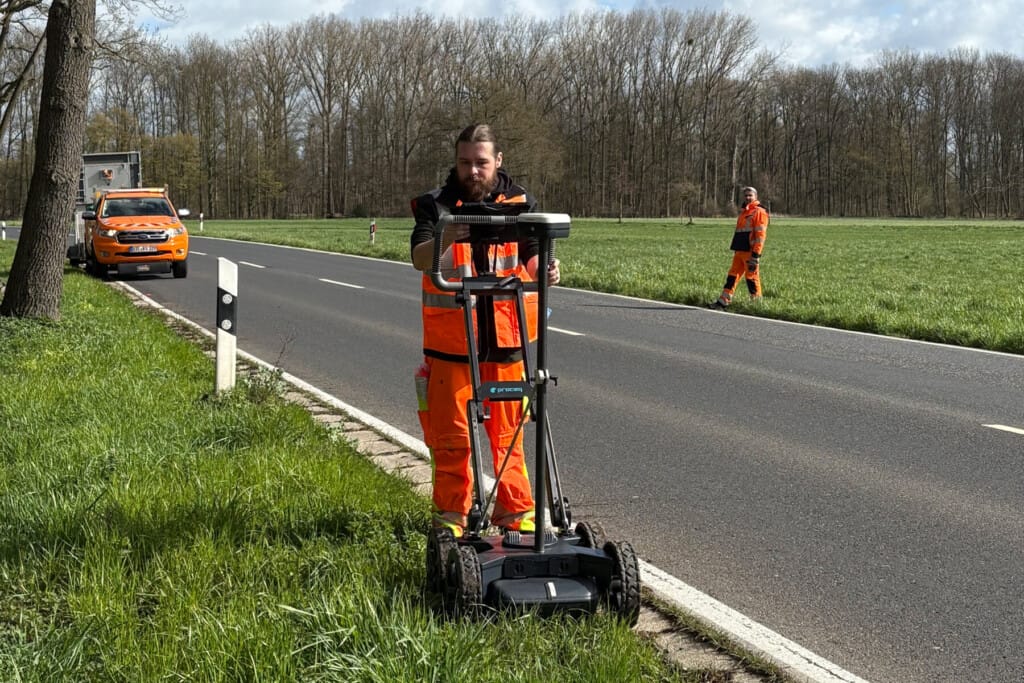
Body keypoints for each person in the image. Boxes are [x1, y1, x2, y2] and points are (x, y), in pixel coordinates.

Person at [410, 124, 561, 538]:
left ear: (498, 161)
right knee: (452, 437)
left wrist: (546, 270)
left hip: (508, 340)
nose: (473, 171)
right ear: (455, 162)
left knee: (509, 435)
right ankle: (451, 518)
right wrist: (445, 237)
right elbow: (419, 258)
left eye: (481, 162)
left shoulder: (521, 204)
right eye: (465, 162)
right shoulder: (436, 205)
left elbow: (533, 255)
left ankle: (517, 515)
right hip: (452, 344)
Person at [710, 186, 768, 309]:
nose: (748, 197)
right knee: (732, 276)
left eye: (750, 195)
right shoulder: (744, 212)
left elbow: (760, 236)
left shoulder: (759, 212)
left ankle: (757, 305)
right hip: (740, 250)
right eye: (746, 195)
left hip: (750, 252)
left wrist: (756, 255)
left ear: (755, 197)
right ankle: (723, 301)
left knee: (751, 278)